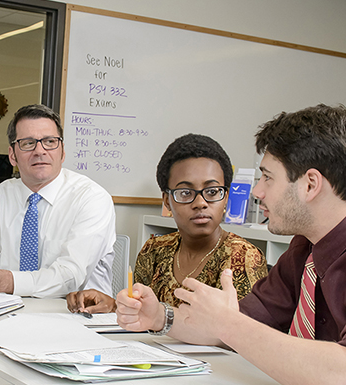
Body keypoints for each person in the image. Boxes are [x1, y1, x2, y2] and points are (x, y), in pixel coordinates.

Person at [116, 105, 346, 385]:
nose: (257, 192)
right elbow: (241, 323)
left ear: (310, 184)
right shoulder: (304, 248)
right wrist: (160, 317)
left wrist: (228, 323)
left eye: (267, 177)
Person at [67, 133, 267, 313]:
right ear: (166, 201)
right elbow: (141, 311)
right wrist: (113, 305)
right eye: (185, 193)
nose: (200, 203)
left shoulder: (243, 258)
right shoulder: (154, 250)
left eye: (212, 192)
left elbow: (242, 333)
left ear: (226, 197)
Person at [0, 104, 116, 298]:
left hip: (75, 315)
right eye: (28, 143)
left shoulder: (91, 198)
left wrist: (6, 281)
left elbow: (71, 277)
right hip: (5, 312)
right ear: (12, 156)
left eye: (50, 141)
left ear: (62, 152)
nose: (40, 151)